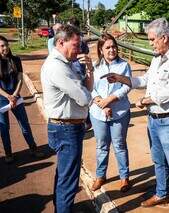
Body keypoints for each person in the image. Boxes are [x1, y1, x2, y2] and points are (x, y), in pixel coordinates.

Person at [106, 18, 169, 213]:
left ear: (164, 38)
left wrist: (145, 101)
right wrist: (122, 79)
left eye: (152, 39)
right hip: (154, 119)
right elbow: (145, 80)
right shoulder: (157, 57)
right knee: (158, 160)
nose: (150, 43)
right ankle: (162, 193)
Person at [41, 24, 93, 213]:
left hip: (69, 127)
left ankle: (60, 208)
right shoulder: (57, 67)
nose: (79, 49)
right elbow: (84, 97)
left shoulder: (66, 64)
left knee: (64, 175)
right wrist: (87, 96)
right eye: (76, 45)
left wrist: (90, 71)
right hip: (66, 129)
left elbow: (87, 90)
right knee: (68, 182)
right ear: (61, 42)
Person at [89, 33, 132, 192]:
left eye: (114, 46)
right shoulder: (95, 66)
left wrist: (111, 100)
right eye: (107, 47)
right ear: (101, 49)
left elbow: (127, 86)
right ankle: (101, 176)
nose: (111, 50)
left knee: (119, 145)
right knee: (101, 145)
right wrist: (102, 103)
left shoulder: (124, 65)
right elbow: (90, 87)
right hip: (98, 113)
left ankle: (124, 177)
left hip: (119, 112)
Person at [0, 35, 44, 164]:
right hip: (2, 99)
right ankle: (8, 153)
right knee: (4, 128)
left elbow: (20, 79)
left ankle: (33, 149)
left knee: (24, 125)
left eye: (6, 45)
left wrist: (14, 95)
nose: (5, 48)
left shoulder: (15, 60)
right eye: (2, 46)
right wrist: (7, 96)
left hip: (16, 97)